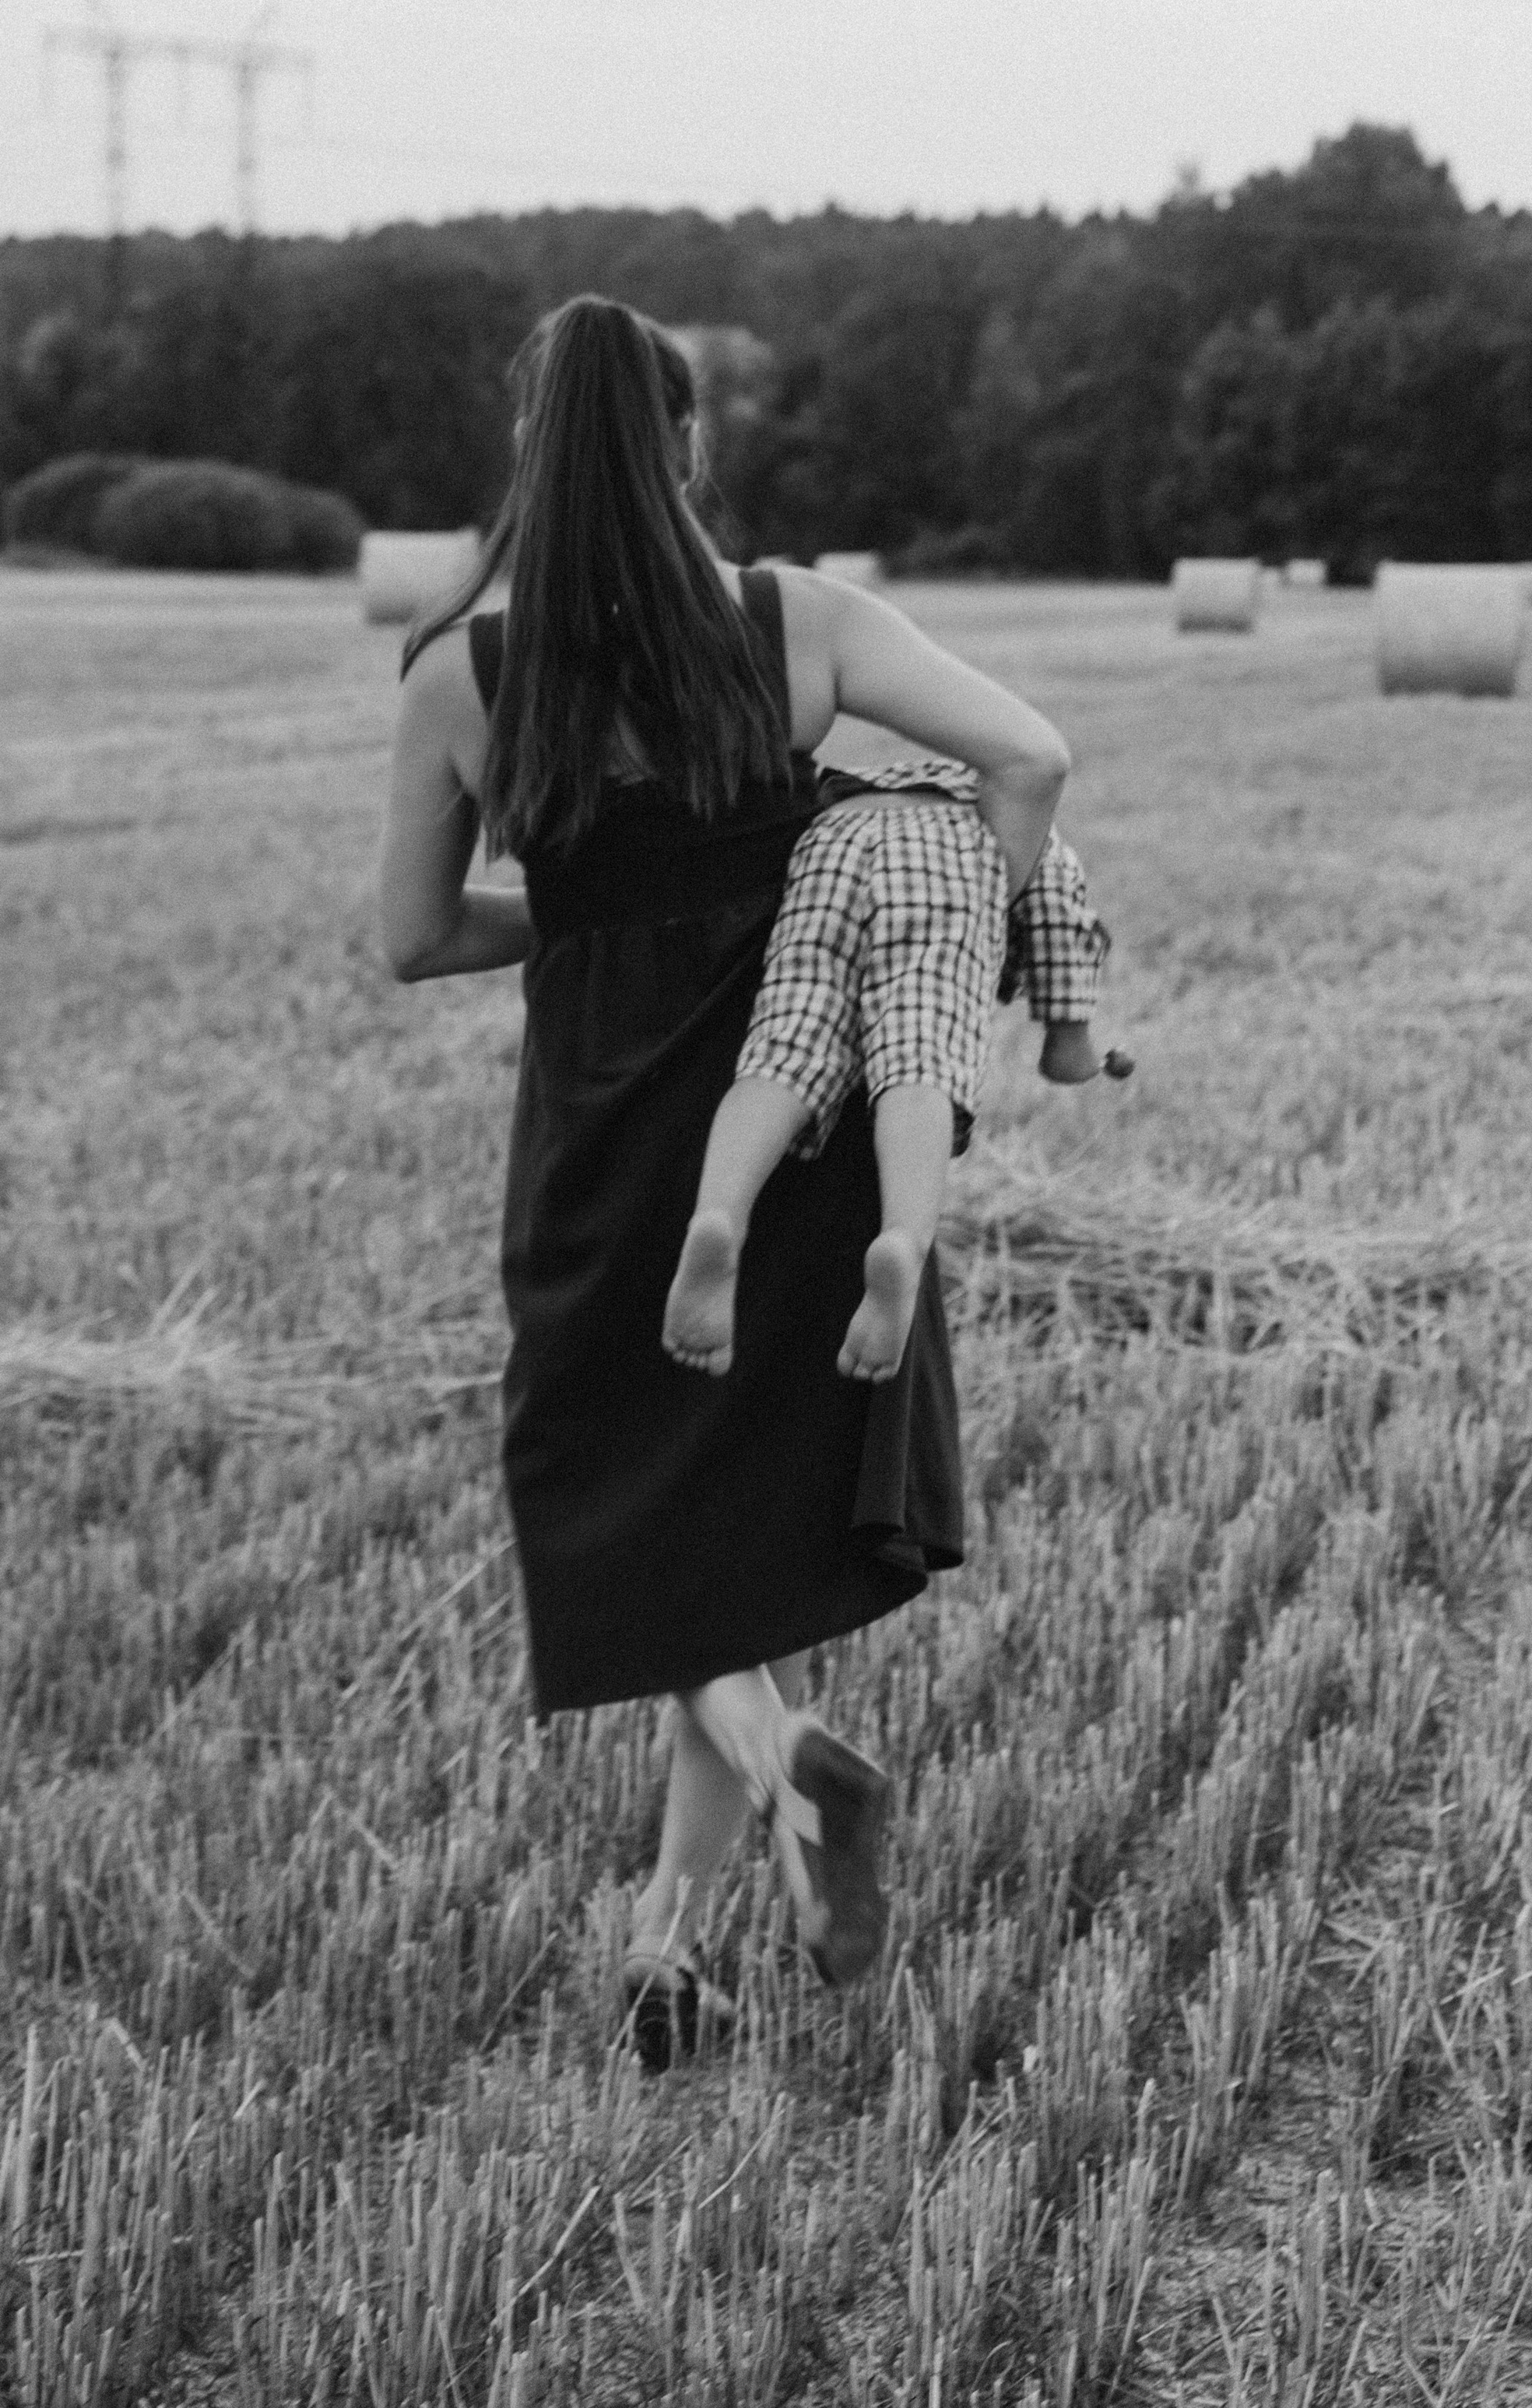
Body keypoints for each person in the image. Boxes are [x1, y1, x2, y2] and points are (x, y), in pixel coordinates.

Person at [378, 294, 1072, 2063]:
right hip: (807, 1121)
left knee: (615, 1502)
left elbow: (410, 935)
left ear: (535, 455)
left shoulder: (465, 670)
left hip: (616, 1149)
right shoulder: (801, 624)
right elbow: (1028, 755)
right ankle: (667, 1940)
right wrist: (942, 952)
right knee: (732, 1542)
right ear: (690, 446)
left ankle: (772, 1776)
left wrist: (595, 904)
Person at [661, 760, 1129, 1386]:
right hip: (949, 853)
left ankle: (719, 1214)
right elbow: (1058, 910)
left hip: (831, 841)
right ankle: (902, 1242)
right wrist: (1070, 1044)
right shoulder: (1009, 806)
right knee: (920, 1058)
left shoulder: (852, 785)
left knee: (785, 1049)